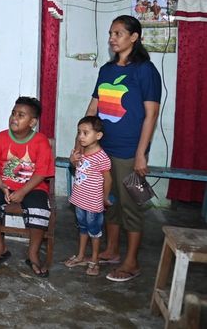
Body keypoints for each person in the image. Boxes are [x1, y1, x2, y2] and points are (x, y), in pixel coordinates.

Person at [79, 15, 161, 283]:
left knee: (133, 206)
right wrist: (80, 145)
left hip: (130, 152)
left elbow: (151, 115)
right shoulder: (106, 70)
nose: (112, 38)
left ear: (134, 37)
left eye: (118, 34)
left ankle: (132, 261)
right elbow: (93, 109)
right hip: (102, 151)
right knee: (109, 201)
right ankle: (112, 250)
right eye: (110, 34)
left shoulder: (145, 70)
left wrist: (141, 153)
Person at [0, 97, 54, 276]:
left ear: (33, 122)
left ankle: (33, 253)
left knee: (39, 210)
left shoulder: (41, 141)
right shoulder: (1, 137)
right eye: (13, 113)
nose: (14, 118)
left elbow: (42, 172)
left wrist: (22, 191)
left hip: (32, 187)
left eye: (21, 115)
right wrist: (2, 185)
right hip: (2, 184)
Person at [64, 115, 112, 277]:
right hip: (79, 200)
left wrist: (105, 198)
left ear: (98, 136)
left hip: (93, 202)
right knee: (82, 228)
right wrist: (73, 160)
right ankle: (80, 256)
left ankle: (94, 260)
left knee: (94, 232)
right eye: (79, 132)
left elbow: (108, 179)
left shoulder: (102, 157)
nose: (80, 137)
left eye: (85, 133)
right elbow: (79, 167)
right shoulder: (82, 151)